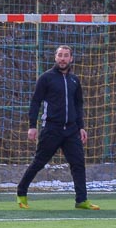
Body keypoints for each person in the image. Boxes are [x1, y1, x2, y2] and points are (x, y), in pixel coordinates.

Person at [16, 45, 99, 210]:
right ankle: (21, 192)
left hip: (71, 130)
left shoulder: (74, 80)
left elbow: (78, 104)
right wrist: (32, 126)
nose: (63, 58)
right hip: (51, 129)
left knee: (78, 163)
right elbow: (35, 102)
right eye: (60, 55)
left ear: (71, 59)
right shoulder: (46, 78)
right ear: (55, 58)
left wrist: (81, 127)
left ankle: (81, 200)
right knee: (39, 162)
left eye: (66, 55)